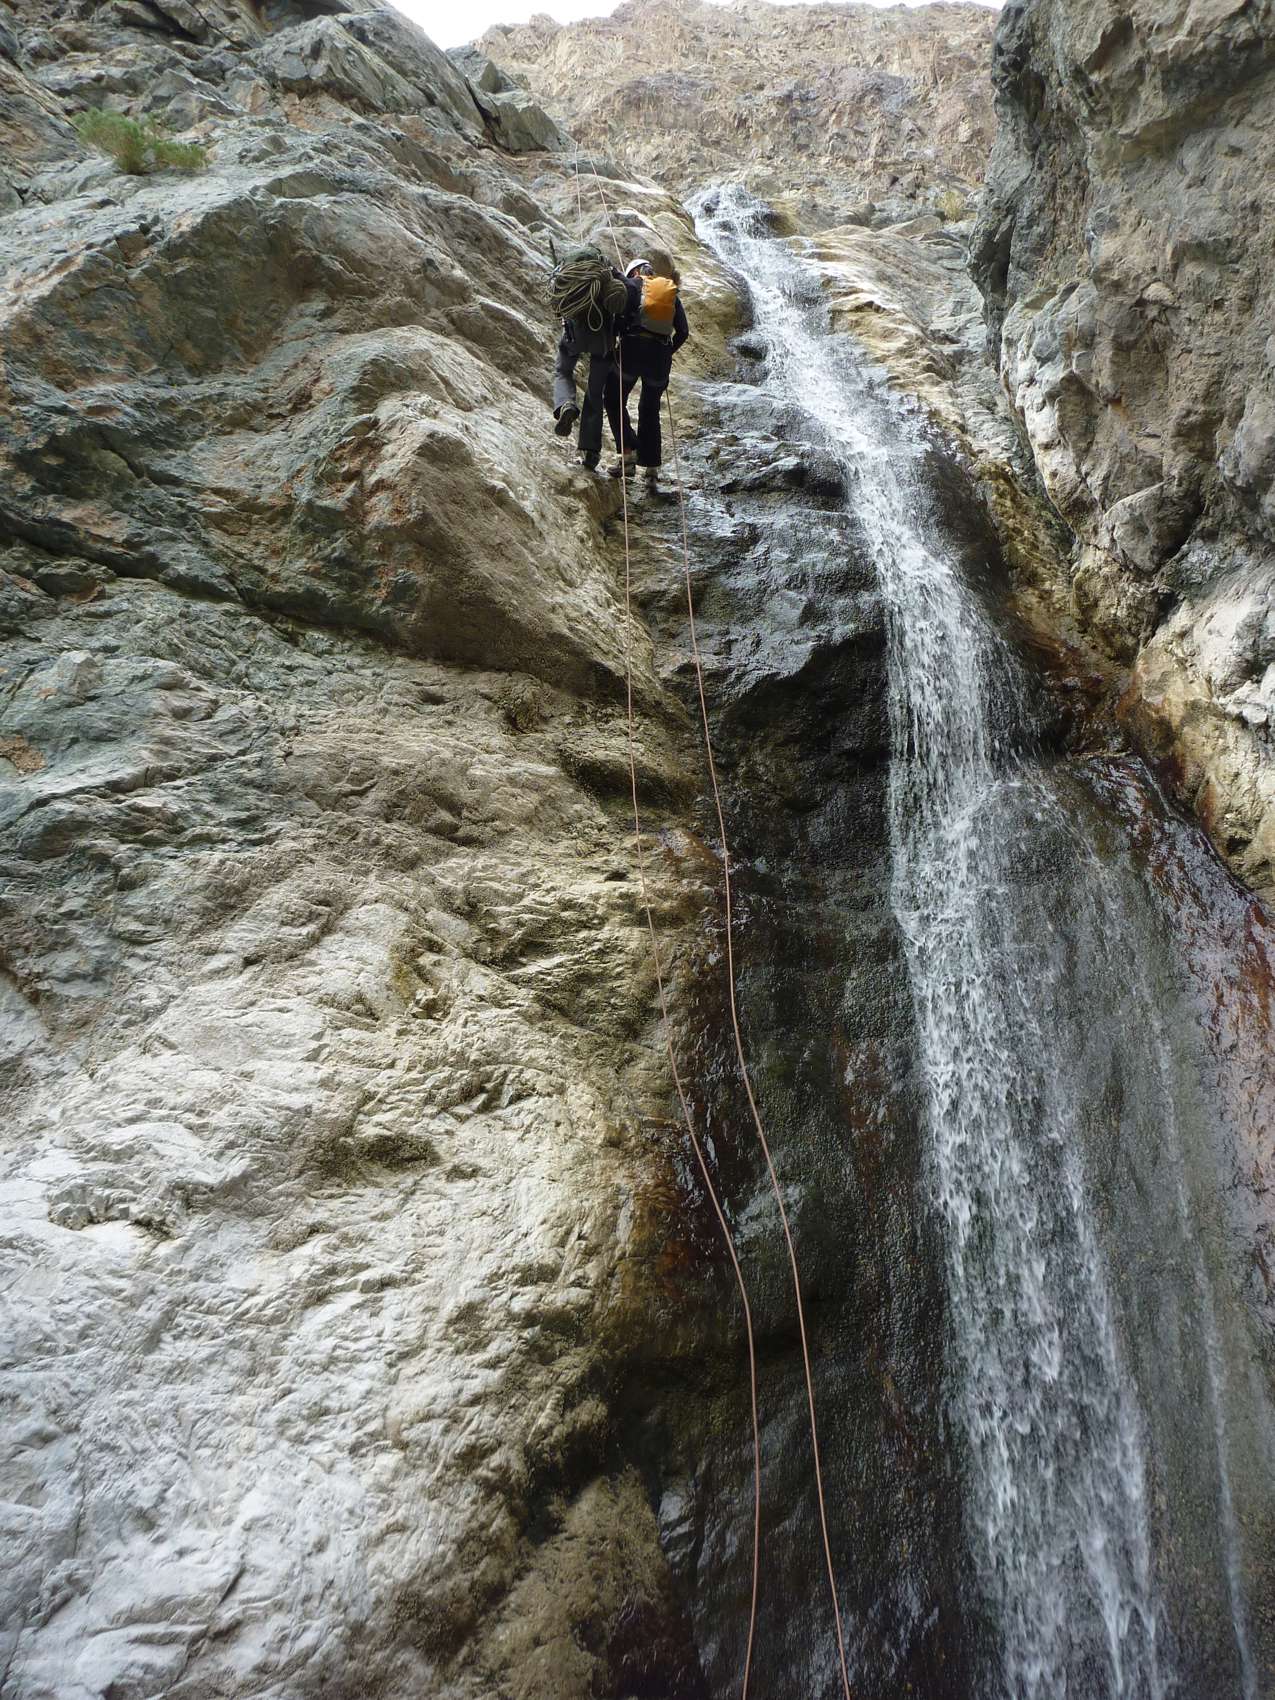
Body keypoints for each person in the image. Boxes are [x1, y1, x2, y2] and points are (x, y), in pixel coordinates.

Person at [604, 255, 689, 490]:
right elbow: (683, 331)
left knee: (613, 399)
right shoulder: (670, 292)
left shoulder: (633, 285)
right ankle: (651, 470)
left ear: (635, 272)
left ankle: (628, 454)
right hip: (659, 358)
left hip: (632, 351)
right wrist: (667, 351)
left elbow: (617, 322)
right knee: (649, 409)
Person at [549, 251, 629, 472]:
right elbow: (624, 294)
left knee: (563, 371)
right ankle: (591, 451)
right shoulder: (605, 272)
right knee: (595, 392)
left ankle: (566, 404)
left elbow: (557, 302)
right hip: (602, 338)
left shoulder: (568, 270)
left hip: (574, 334)